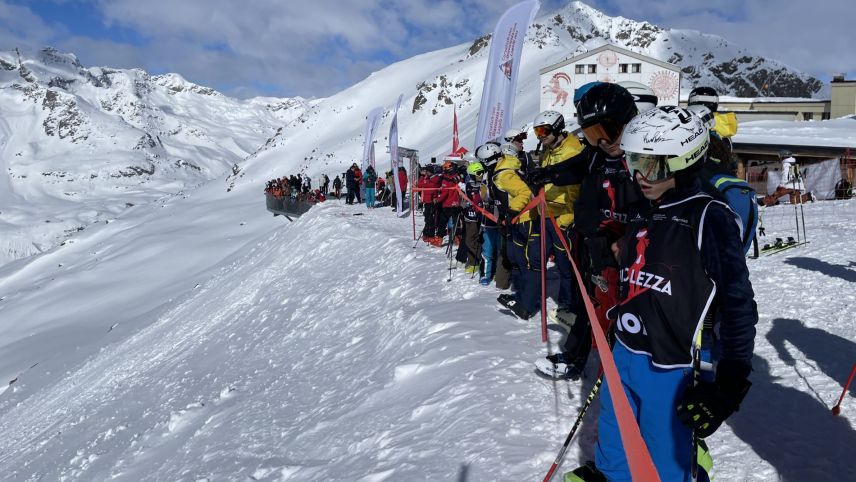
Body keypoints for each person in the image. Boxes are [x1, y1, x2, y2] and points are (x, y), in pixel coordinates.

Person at [567, 106, 757, 482]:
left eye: (652, 166)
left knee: (666, 461)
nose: (640, 176)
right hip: (626, 352)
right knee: (614, 442)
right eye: (634, 162)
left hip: (672, 366)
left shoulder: (709, 216)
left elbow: (738, 303)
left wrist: (729, 385)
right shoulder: (642, 209)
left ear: (684, 161)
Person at [533, 82, 644, 380]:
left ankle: (622, 374)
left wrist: (630, 238)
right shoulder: (596, 154)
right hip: (596, 243)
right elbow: (574, 167)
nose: (603, 140)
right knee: (589, 301)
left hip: (632, 251)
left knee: (626, 312)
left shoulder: (645, 156)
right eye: (594, 134)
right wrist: (545, 174)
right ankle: (575, 357)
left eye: (609, 130)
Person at [499, 110, 584, 321]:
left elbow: (575, 192)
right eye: (537, 132)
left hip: (562, 217)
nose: (540, 136)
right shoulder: (548, 149)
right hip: (544, 214)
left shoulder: (571, 151)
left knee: (564, 265)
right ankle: (526, 303)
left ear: (557, 128)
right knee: (535, 260)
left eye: (544, 131)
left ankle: (567, 305)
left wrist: (565, 221)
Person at [476, 142, 514, 289]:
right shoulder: (488, 174)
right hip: (490, 219)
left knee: (501, 250)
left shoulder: (506, 171)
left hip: (503, 218)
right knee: (488, 249)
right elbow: (484, 196)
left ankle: (500, 276)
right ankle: (486, 274)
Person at [462, 161, 484, 275]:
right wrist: (463, 204)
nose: (481, 175)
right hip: (469, 217)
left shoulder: (483, 185)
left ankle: (477, 261)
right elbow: (465, 198)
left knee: (474, 240)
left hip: (481, 218)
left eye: (482, 172)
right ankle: (473, 262)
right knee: (470, 240)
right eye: (478, 173)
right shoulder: (468, 185)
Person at [435, 161, 462, 245]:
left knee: (442, 223)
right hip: (456, 203)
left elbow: (444, 193)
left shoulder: (446, 178)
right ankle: (457, 239)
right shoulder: (457, 177)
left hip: (447, 204)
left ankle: (439, 240)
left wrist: (437, 200)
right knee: (456, 223)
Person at [417, 165, 443, 246]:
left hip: (431, 202)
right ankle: (426, 234)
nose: (425, 173)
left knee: (430, 220)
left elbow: (420, 184)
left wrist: (422, 176)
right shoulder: (430, 179)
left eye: (427, 171)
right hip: (428, 201)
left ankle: (430, 235)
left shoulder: (433, 180)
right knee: (428, 218)